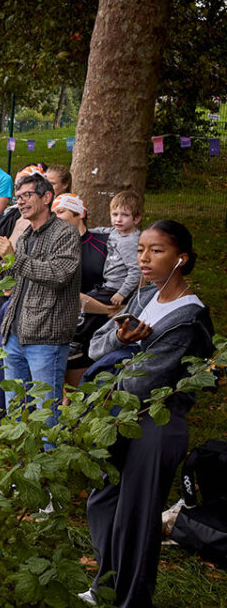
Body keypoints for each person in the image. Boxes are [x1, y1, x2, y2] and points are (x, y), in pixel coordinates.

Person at [82, 221, 215, 608]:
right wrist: (120, 342)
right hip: (119, 416)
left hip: (156, 424)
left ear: (181, 258)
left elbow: (142, 384)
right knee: (103, 500)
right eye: (141, 249)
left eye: (156, 251)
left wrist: (116, 367)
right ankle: (106, 583)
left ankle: (132, 599)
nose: (143, 258)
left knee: (137, 519)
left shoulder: (189, 317)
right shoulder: (142, 297)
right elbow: (95, 347)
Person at [0, 170, 80, 424]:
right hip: (14, 335)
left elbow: (58, 274)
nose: (20, 201)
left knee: (46, 414)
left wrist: (14, 256)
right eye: (18, 196)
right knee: (15, 411)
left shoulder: (65, 233)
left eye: (27, 195)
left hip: (46, 338)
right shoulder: (25, 236)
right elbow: (4, 279)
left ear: (47, 198)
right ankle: (21, 463)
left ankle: (48, 460)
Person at [50, 194, 109, 387]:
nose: (55, 217)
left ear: (80, 213)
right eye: (53, 214)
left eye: (61, 212)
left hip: (97, 326)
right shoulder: (52, 248)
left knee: (85, 390)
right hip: (65, 323)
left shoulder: (104, 243)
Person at [88, 190, 144, 307]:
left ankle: (115, 310)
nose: (118, 219)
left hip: (118, 289)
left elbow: (136, 270)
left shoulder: (130, 241)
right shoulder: (115, 231)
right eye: (115, 214)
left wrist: (122, 293)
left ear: (136, 219)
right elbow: (100, 230)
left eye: (125, 215)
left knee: (84, 301)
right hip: (108, 284)